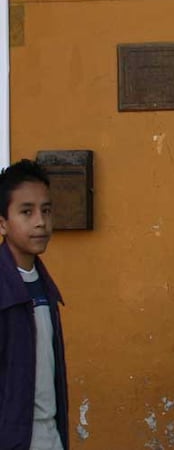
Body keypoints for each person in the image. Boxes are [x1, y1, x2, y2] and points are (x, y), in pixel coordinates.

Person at [0, 159, 68, 450]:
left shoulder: (45, 287)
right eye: (26, 212)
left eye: (46, 210)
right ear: (3, 221)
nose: (40, 221)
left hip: (50, 436)